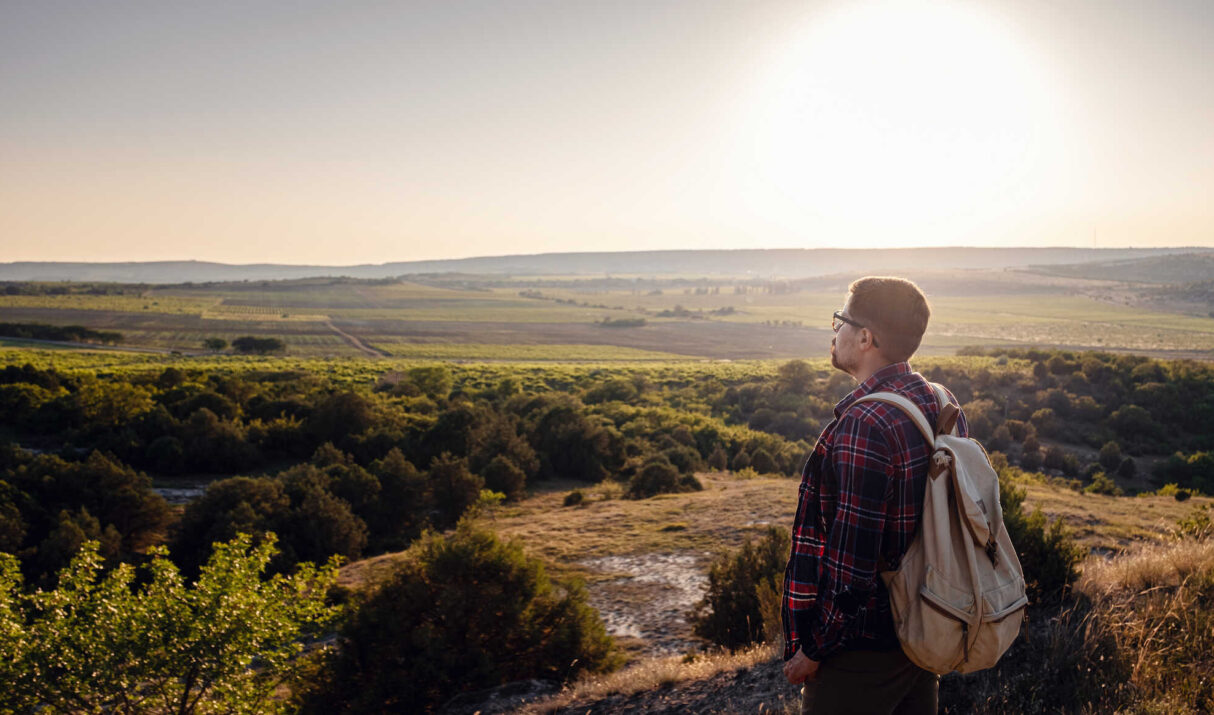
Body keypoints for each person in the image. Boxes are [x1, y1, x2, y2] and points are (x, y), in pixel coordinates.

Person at [781, 276, 967, 715]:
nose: (834, 330)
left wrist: (815, 648)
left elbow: (852, 566)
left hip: (861, 652)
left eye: (840, 320)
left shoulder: (865, 425)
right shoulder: (939, 401)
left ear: (866, 338)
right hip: (922, 632)